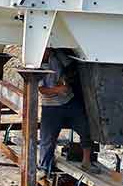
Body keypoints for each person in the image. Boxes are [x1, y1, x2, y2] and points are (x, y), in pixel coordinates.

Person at [38, 49, 97, 177]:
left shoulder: (57, 55)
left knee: (86, 128)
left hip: (68, 100)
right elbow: (42, 89)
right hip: (51, 106)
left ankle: (86, 161)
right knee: (48, 138)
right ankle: (44, 167)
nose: (47, 51)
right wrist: (59, 89)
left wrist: (67, 80)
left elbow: (71, 67)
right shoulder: (36, 62)